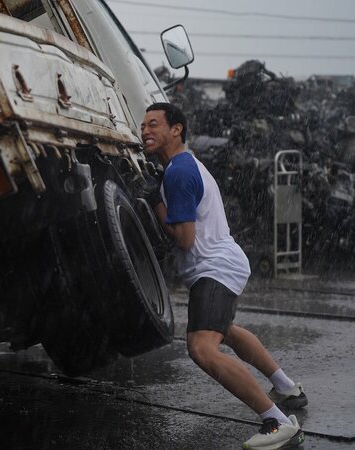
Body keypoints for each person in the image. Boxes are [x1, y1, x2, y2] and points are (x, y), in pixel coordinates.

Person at [140, 102, 307, 449]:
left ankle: (276, 421)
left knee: (202, 347)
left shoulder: (179, 172)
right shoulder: (183, 165)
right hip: (224, 262)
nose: (145, 131)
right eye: (143, 126)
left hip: (214, 267)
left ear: (177, 129)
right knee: (224, 330)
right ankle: (287, 386)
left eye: (154, 124)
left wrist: (155, 202)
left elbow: (184, 238)